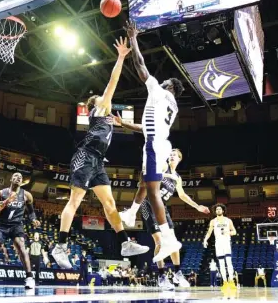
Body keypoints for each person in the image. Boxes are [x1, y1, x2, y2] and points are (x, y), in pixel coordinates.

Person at [51, 37, 149, 269]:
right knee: (76, 200)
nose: (108, 100)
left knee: (110, 204)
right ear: (95, 104)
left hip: (98, 162)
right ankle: (60, 246)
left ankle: (125, 242)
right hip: (85, 155)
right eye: (104, 99)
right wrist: (121, 57)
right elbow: (112, 83)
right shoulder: (99, 109)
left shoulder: (107, 117)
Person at [125, 20, 185, 263]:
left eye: (165, 81)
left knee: (152, 192)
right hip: (157, 142)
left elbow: (140, 65)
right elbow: (150, 126)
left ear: (169, 86)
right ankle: (130, 213)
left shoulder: (160, 92)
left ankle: (168, 238)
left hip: (154, 144)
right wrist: (125, 124)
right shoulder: (173, 106)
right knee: (144, 180)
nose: (161, 82)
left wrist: (133, 38)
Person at [117, 147, 210, 290]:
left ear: (179, 159)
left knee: (172, 242)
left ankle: (178, 273)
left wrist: (197, 206)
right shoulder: (164, 166)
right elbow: (153, 174)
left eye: (175, 155)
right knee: (159, 242)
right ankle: (161, 276)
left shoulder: (178, 177)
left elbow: (182, 195)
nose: (172, 156)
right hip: (148, 204)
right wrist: (169, 176)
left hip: (162, 208)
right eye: (170, 154)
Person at [0, 172, 40, 289]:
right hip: (1, 225)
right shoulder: (1, 193)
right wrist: (6, 202)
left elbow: (31, 211)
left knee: (22, 249)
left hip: (16, 226)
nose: (18, 178)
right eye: (16, 176)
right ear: (11, 179)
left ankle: (29, 278)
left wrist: (34, 219)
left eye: (20, 177)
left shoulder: (27, 195)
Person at [203, 204, 237, 290]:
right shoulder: (213, 221)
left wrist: (228, 233)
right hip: (218, 244)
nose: (218, 210)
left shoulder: (228, 220)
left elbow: (234, 232)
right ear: (215, 211)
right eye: (217, 209)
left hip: (226, 243)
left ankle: (231, 281)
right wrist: (205, 240)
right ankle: (225, 282)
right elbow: (209, 232)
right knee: (221, 264)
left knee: (229, 263)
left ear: (223, 211)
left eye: (220, 209)